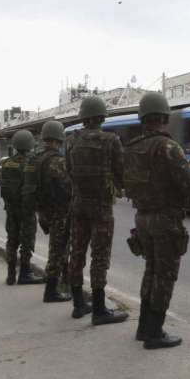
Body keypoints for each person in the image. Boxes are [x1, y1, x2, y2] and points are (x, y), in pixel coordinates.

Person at [123, 92, 190, 349]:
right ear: (164, 117)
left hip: (142, 218)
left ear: (142, 118)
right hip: (166, 219)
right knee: (164, 275)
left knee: (150, 271)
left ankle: (144, 327)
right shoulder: (168, 147)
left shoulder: (132, 148)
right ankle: (155, 332)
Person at [66, 96, 128, 324]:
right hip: (101, 207)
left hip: (79, 204)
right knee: (99, 256)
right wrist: (120, 187)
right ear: (102, 116)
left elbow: (69, 171)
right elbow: (121, 172)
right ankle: (100, 310)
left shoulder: (71, 141)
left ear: (83, 117)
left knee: (77, 252)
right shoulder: (111, 140)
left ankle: (78, 305)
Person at [29, 121, 72, 303]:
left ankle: (61, 284)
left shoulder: (35, 159)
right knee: (58, 250)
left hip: (43, 211)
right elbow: (67, 187)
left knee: (58, 248)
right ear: (58, 139)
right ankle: (51, 290)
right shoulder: (57, 161)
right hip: (59, 211)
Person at [0, 129, 44, 286]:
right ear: (30, 144)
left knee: (12, 240)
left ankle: (11, 274)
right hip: (27, 209)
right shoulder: (32, 162)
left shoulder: (6, 163)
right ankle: (25, 273)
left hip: (11, 209)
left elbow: (1, 183)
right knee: (27, 241)